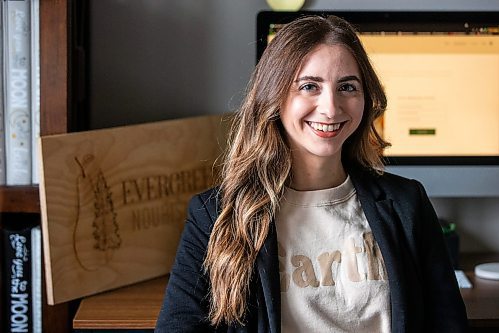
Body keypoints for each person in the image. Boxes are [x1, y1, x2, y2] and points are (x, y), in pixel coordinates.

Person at [155, 15, 467, 333]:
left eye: (347, 86)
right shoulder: (216, 215)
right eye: (309, 86)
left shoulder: (406, 203)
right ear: (274, 97)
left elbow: (448, 324)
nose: (330, 108)